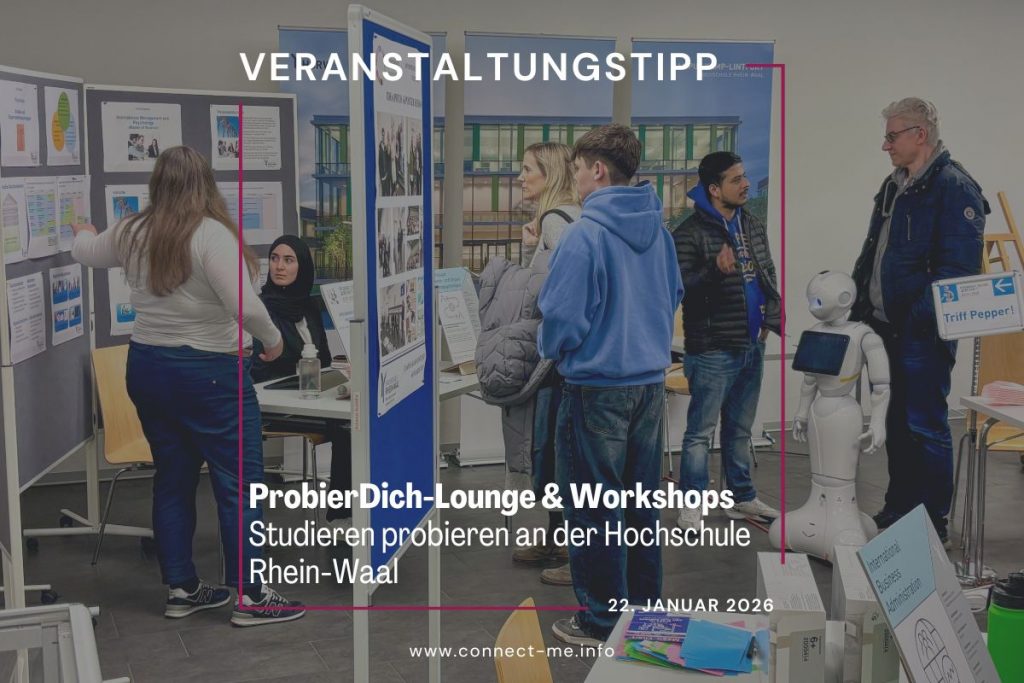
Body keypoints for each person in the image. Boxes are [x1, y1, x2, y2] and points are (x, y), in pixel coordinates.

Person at [70, 146, 304, 627]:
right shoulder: (210, 234)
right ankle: (252, 596)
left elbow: (86, 253)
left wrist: (84, 231)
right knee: (239, 484)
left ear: (157, 183)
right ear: (205, 185)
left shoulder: (133, 230)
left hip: (148, 367)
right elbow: (245, 306)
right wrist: (274, 340)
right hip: (209, 373)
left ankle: (182, 589)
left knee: (173, 479)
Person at [539, 124, 683, 646]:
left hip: (596, 389)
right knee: (641, 506)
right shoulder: (661, 234)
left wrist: (556, 350)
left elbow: (560, 318)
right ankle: (642, 614)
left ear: (597, 170)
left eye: (577, 169)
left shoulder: (584, 235)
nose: (575, 180)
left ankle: (601, 620)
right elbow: (673, 295)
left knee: (593, 509)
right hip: (649, 387)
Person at [851, 97, 987, 546]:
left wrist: (914, 319)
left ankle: (932, 522)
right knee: (895, 423)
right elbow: (874, 251)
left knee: (925, 425)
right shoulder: (894, 185)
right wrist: (860, 308)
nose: (885, 145)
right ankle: (900, 506)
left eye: (892, 136)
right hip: (884, 328)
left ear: (919, 135)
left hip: (922, 335)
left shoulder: (954, 188)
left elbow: (957, 272)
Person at [475, 142, 581, 588]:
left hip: (555, 359)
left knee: (555, 452)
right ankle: (558, 539)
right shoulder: (563, 219)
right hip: (559, 357)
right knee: (551, 451)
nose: (520, 177)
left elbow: (559, 288)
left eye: (527, 169)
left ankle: (572, 550)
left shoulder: (557, 221)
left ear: (549, 174)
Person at [672, 151, 782, 531]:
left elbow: (766, 272)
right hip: (712, 349)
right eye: (736, 180)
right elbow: (681, 288)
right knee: (700, 433)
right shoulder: (688, 234)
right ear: (714, 189)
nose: (746, 184)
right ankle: (692, 506)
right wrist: (714, 271)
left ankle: (742, 497)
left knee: (740, 429)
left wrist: (770, 318)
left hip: (751, 343)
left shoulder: (751, 224)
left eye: (744, 176)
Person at [251, 235, 353, 526]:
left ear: (303, 267)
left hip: (315, 398)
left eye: (288, 260)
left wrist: (341, 371)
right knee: (347, 429)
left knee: (359, 421)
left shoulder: (309, 308)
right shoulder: (261, 309)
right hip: (277, 404)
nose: (279, 266)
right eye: (274, 258)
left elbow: (324, 358)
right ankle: (342, 517)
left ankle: (361, 511)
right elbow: (261, 368)